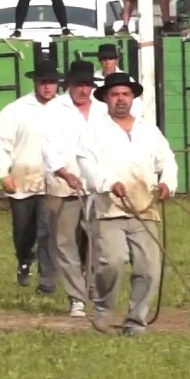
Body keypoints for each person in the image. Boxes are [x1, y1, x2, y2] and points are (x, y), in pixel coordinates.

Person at [75, 72, 179, 336]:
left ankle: (136, 322)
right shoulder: (94, 130)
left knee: (149, 269)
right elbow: (86, 163)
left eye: (125, 94)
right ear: (106, 99)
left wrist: (167, 182)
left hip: (145, 208)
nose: (121, 99)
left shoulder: (148, 130)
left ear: (132, 97)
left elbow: (166, 159)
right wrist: (109, 182)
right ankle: (103, 308)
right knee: (112, 261)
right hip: (108, 208)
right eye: (115, 94)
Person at [0, 58, 61, 293]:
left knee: (48, 232)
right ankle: (24, 260)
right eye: (43, 83)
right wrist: (2, 172)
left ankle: (46, 283)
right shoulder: (16, 110)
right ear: (35, 83)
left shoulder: (65, 110)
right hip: (22, 181)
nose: (47, 87)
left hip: (53, 183)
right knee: (23, 232)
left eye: (51, 83)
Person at [42, 59, 107, 319]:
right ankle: (76, 297)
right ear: (69, 84)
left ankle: (93, 288)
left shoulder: (103, 110)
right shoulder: (55, 109)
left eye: (87, 85)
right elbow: (48, 146)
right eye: (79, 85)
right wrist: (64, 173)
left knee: (97, 240)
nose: (83, 90)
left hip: (97, 186)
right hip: (64, 185)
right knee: (65, 241)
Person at [94, 44, 143, 118]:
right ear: (100, 61)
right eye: (104, 59)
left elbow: (137, 106)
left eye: (111, 58)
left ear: (116, 60)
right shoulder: (93, 81)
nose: (107, 63)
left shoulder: (126, 79)